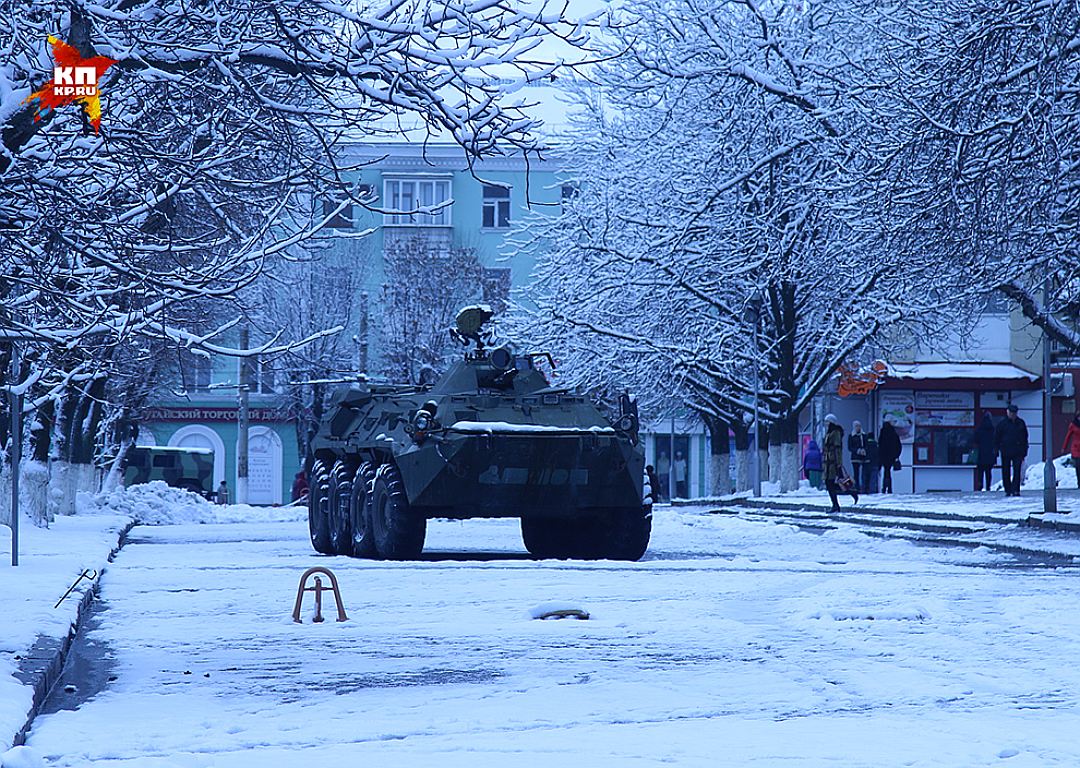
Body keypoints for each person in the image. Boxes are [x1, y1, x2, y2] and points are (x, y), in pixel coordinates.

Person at [823, 414, 858, 512]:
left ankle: (839, 502)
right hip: (828, 463)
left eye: (827, 422)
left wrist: (838, 463)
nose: (826, 424)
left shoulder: (835, 433)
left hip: (833, 463)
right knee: (830, 483)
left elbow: (837, 449)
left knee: (832, 483)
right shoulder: (829, 433)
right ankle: (836, 504)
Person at [995, 403, 1028, 497]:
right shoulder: (1002, 424)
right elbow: (997, 437)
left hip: (1018, 451)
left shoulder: (1021, 423)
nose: (1013, 414)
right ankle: (1008, 489)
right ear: (1007, 412)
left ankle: (1016, 490)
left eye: (1014, 413)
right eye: (1011, 412)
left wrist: (1024, 450)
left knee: (1017, 471)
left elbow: (1025, 437)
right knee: (1006, 471)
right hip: (1006, 451)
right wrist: (997, 449)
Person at [878, 418, 902, 494]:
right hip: (892, 457)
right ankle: (889, 488)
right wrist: (896, 456)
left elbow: (880, 446)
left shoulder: (883, 433)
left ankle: (884, 488)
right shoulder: (894, 434)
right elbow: (899, 446)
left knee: (886, 471)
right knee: (888, 472)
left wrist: (880, 457)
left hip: (884, 456)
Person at [974, 412, 996, 491]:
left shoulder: (979, 429)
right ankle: (988, 486)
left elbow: (975, 440)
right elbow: (996, 442)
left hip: (981, 454)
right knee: (988, 472)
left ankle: (980, 485)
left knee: (980, 472)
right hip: (990, 455)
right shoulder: (992, 430)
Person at [848, 421, 871, 494]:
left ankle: (865, 488)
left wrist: (864, 450)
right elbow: (850, 447)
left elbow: (867, 445)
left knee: (865, 473)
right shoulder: (851, 436)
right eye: (857, 426)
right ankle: (857, 488)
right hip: (855, 458)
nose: (858, 427)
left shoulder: (864, 435)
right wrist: (857, 450)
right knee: (856, 474)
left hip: (864, 457)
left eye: (859, 426)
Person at [1063, 413, 1080, 488]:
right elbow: (1068, 436)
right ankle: (1079, 482)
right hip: (1076, 448)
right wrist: (1064, 447)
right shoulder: (1073, 425)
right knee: (1078, 465)